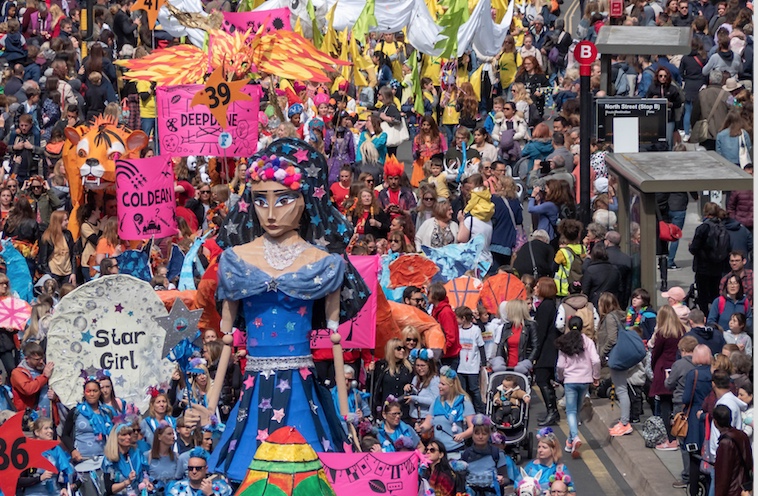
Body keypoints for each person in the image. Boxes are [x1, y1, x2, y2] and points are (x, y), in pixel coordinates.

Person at [208, 139, 369, 481]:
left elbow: (336, 338)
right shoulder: (235, 260)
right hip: (254, 385)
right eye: (260, 200)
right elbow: (226, 339)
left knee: (307, 474)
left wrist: (344, 410)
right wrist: (209, 406)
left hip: (302, 384)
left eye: (283, 200)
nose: (270, 213)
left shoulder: (323, 262)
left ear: (304, 200)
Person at [556, 316, 600, 458]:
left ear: (568, 326)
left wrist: (561, 377)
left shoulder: (564, 342)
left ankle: (575, 436)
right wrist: (596, 376)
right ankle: (570, 441)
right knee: (576, 410)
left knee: (570, 410)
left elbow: (560, 365)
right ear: (582, 327)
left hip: (570, 380)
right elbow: (596, 360)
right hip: (585, 380)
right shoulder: (588, 341)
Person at [417, 366, 475, 458]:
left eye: (443, 384)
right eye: (439, 383)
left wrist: (462, 435)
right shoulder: (436, 401)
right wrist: (421, 428)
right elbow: (427, 424)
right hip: (438, 452)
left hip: (457, 451)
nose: (439, 386)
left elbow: (473, 427)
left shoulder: (464, 401)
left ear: (451, 386)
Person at [650, 305, 686, 450]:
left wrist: (653, 367)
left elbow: (655, 353)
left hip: (663, 368)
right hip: (678, 368)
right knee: (678, 403)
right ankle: (680, 434)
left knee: (665, 404)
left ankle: (670, 439)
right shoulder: (682, 331)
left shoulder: (662, 333)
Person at [680, 344, 713, 490]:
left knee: (694, 455)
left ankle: (694, 488)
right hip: (709, 417)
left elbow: (686, 398)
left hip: (694, 418)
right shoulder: (714, 373)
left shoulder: (693, 374)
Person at [19, 417, 77, 496]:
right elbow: (19, 480)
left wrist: (64, 487)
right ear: (37, 432)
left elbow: (64, 471)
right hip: (33, 493)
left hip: (54, 492)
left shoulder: (56, 449)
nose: (50, 431)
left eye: (50, 428)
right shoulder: (28, 451)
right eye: (46, 428)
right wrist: (40, 478)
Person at [460, 415, 516, 495]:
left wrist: (502, 480)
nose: (480, 437)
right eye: (477, 433)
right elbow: (461, 479)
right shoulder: (466, 454)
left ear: (489, 435)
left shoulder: (497, 453)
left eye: (484, 434)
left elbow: (506, 479)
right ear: (472, 435)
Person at [533, 277, 560, 426]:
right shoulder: (549, 305)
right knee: (545, 380)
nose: (535, 289)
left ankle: (552, 412)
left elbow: (540, 332)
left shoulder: (545, 307)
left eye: (538, 286)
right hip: (548, 348)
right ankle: (553, 412)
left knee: (542, 379)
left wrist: (534, 354)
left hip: (546, 349)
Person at [712, 404, 753, 496]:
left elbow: (723, 476)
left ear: (715, 422)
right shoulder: (742, 435)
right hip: (744, 487)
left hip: (732, 490)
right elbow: (749, 461)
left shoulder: (725, 443)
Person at [371, 338, 414, 422]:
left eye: (403, 348)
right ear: (391, 350)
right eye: (398, 348)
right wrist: (370, 373)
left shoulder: (408, 367)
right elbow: (374, 388)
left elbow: (415, 385)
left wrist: (410, 387)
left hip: (404, 410)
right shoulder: (381, 366)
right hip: (386, 410)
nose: (402, 350)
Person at [454, 306, 486, 414]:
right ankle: (466, 411)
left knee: (474, 389)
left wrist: (484, 363)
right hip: (461, 366)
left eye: (457, 318)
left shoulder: (475, 330)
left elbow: (481, 347)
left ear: (463, 318)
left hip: (472, 366)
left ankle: (480, 411)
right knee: (462, 390)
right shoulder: (458, 330)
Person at [10, 341, 54, 413]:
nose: (41, 361)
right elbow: (28, 389)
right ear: (27, 359)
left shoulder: (42, 369)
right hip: (28, 413)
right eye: (37, 359)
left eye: (42, 358)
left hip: (46, 411)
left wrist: (54, 396)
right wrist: (44, 376)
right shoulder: (17, 373)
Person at [496, 299, 538, 372]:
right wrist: (499, 362)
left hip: (522, 367)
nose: (507, 313)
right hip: (507, 366)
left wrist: (527, 363)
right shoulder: (507, 326)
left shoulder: (530, 326)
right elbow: (501, 345)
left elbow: (535, 347)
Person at [37, 210, 76, 286]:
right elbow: (43, 260)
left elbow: (73, 255)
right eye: (65, 220)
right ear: (58, 222)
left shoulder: (68, 234)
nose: (67, 222)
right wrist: (50, 276)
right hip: (54, 274)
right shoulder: (47, 237)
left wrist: (73, 273)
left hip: (67, 274)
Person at [429, 282, 461, 370]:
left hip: (448, 357)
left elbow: (450, 336)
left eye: (429, 293)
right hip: (443, 355)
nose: (427, 295)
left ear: (435, 295)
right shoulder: (437, 311)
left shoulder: (445, 312)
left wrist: (441, 351)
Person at [405, 348, 440, 424]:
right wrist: (407, 389)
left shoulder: (434, 380)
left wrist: (414, 398)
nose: (420, 368)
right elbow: (411, 397)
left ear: (429, 366)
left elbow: (435, 401)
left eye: (423, 365)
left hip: (427, 420)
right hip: (413, 418)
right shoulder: (415, 379)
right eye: (417, 365)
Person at [147, 423, 182, 491]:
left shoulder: (177, 457)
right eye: (169, 434)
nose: (173, 436)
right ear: (159, 436)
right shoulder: (148, 456)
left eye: (173, 434)